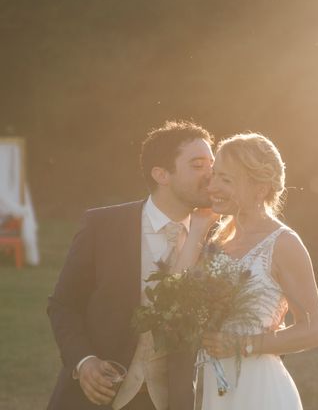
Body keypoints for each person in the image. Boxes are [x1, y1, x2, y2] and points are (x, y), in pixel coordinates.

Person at [47, 120, 214, 410]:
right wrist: (84, 362)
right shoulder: (102, 225)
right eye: (198, 165)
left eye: (212, 164)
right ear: (162, 174)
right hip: (96, 397)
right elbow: (64, 304)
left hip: (173, 400)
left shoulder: (218, 239)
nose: (211, 174)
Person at [174, 132, 318, 409]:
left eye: (226, 180)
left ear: (260, 189)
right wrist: (197, 230)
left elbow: (313, 330)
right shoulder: (217, 241)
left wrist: (243, 344)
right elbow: (177, 296)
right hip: (214, 389)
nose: (213, 187)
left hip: (259, 391)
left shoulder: (284, 244)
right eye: (214, 175)